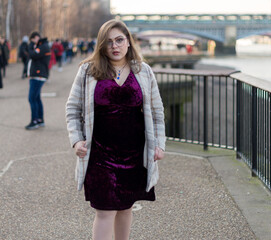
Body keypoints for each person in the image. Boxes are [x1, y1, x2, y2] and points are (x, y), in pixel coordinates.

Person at [65, 19, 166, 240]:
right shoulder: (88, 71)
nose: (115, 46)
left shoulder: (143, 71)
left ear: (129, 42)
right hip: (100, 155)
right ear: (102, 45)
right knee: (104, 211)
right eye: (108, 42)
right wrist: (77, 140)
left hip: (133, 154)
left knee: (125, 207)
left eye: (119, 40)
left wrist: (159, 144)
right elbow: (73, 110)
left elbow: (157, 113)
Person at [25, 31, 51, 130]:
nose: (33, 43)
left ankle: (34, 120)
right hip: (38, 75)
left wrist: (31, 45)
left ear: (36, 38)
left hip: (38, 75)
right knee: (36, 98)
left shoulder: (43, 46)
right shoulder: (42, 45)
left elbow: (32, 55)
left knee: (32, 98)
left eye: (33, 40)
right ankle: (40, 120)